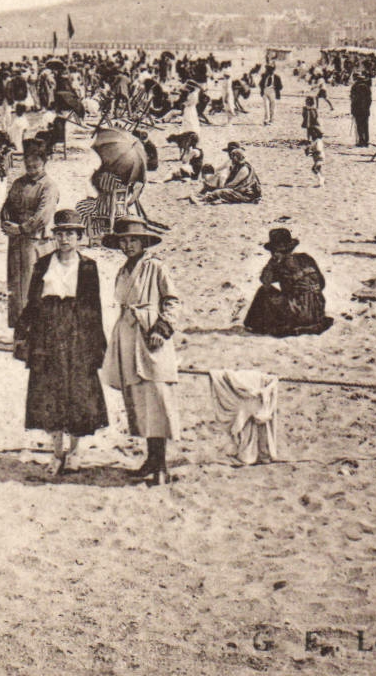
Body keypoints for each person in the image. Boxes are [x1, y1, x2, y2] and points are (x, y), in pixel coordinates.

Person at [17, 210, 108, 476]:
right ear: (54, 236)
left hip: (78, 334)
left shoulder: (88, 266)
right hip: (48, 333)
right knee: (49, 392)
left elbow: (94, 307)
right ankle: (57, 452)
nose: (65, 238)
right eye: (61, 233)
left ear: (80, 237)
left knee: (78, 392)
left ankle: (76, 451)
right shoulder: (43, 264)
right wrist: (23, 332)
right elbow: (32, 303)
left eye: (71, 233)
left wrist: (96, 344)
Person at [99, 217, 179, 485]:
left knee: (157, 397)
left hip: (150, 336)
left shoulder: (155, 268)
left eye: (133, 239)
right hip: (127, 335)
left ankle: (162, 464)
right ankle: (150, 458)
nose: (128, 244)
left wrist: (162, 328)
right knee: (139, 400)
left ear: (143, 242)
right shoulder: (123, 270)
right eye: (124, 240)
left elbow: (171, 300)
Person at [0, 138, 59, 328]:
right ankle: (18, 329)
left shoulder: (49, 186)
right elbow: (7, 205)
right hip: (15, 240)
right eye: (28, 163)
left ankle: (34, 329)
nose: (31, 167)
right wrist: (5, 221)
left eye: (36, 163)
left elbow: (43, 216)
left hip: (35, 241)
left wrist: (22, 228)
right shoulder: (18, 183)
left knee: (31, 284)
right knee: (15, 284)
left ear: (44, 162)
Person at [243, 228, 333, 336]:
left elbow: (264, 281)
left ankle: (254, 326)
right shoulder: (306, 258)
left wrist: (272, 263)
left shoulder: (280, 265)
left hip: (299, 314)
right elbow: (322, 284)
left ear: (275, 251)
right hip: (317, 311)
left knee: (264, 291)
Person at [196, 143, 261, 204]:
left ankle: (203, 200)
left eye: (233, 157)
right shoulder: (237, 166)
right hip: (240, 191)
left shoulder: (244, 169)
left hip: (246, 195)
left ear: (237, 157)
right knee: (217, 190)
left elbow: (233, 184)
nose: (232, 159)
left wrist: (222, 188)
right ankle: (204, 197)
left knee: (219, 192)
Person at [350, 71, 373, 147]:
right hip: (365, 110)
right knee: (365, 125)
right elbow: (369, 100)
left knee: (359, 126)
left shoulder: (355, 87)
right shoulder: (367, 87)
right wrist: (367, 107)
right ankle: (366, 141)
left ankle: (361, 141)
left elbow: (353, 99)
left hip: (358, 110)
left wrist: (353, 110)